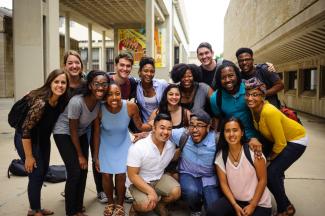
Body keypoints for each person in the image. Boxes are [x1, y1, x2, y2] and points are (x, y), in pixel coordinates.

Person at [245, 78, 307, 216]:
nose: (250, 98)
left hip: (296, 140)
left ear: (263, 96)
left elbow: (280, 143)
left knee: (271, 173)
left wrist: (270, 159)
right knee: (272, 174)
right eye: (248, 94)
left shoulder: (269, 111)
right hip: (284, 141)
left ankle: (285, 208)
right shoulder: (254, 109)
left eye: (255, 94)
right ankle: (285, 207)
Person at [53, 70, 109, 216]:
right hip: (63, 133)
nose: (101, 87)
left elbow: (96, 131)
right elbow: (72, 129)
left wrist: (95, 156)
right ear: (90, 85)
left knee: (83, 171)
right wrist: (80, 155)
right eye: (97, 84)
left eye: (104, 84)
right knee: (75, 170)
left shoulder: (98, 103)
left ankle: (78, 207)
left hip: (81, 133)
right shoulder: (77, 101)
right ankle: (71, 211)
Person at [93, 83, 152, 216]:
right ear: (104, 97)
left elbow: (140, 126)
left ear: (122, 94)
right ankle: (110, 203)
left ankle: (119, 204)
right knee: (106, 175)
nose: (114, 97)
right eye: (109, 94)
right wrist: (95, 156)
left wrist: (153, 123)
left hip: (123, 143)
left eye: (117, 93)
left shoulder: (130, 106)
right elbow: (96, 133)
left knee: (121, 174)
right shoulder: (100, 109)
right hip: (105, 144)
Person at [16, 69, 69, 216]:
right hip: (27, 140)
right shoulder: (41, 103)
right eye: (56, 82)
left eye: (63, 82)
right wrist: (28, 156)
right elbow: (25, 131)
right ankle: (34, 210)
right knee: (35, 173)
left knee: (43, 171)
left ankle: (37, 206)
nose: (60, 85)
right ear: (50, 83)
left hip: (43, 139)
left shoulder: (60, 101)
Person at [214, 117, 272, 216]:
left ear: (242, 133)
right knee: (213, 211)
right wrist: (234, 204)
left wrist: (252, 205)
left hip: (259, 204)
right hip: (236, 201)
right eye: (227, 131)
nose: (231, 134)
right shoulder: (221, 155)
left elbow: (263, 180)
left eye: (235, 130)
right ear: (223, 134)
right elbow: (224, 184)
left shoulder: (254, 152)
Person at [127, 113, 181, 216]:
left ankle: (160, 205)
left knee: (176, 192)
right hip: (138, 182)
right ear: (154, 128)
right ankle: (135, 207)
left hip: (158, 178)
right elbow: (132, 175)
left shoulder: (170, 146)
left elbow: (174, 156)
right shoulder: (139, 147)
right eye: (162, 128)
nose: (165, 132)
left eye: (169, 129)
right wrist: (151, 191)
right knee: (147, 205)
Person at [170, 109, 222, 216]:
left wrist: (252, 141)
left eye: (199, 125)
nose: (194, 129)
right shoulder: (184, 135)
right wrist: (144, 134)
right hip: (188, 174)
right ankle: (195, 210)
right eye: (191, 125)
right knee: (191, 192)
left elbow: (235, 140)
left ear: (208, 127)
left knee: (213, 208)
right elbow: (163, 131)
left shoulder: (217, 139)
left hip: (209, 177)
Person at [209, 61, 263, 154]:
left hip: (257, 137)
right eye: (223, 77)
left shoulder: (249, 88)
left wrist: (264, 65)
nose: (227, 80)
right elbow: (217, 119)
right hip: (233, 139)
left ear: (237, 75)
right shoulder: (215, 98)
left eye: (231, 75)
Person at [136, 56, 168, 123]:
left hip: (161, 123)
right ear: (139, 72)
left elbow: (171, 100)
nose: (149, 74)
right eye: (145, 71)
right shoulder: (136, 86)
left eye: (152, 71)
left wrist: (157, 110)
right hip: (144, 126)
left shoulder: (162, 84)